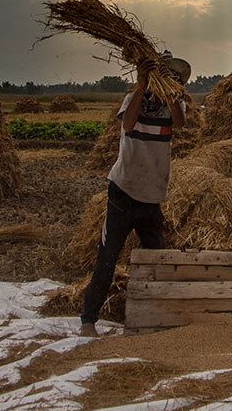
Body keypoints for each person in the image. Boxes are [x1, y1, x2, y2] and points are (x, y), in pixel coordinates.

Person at [80, 52, 190, 337]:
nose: (171, 81)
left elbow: (179, 123)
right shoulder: (134, 99)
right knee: (108, 256)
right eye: (166, 76)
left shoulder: (174, 105)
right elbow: (128, 125)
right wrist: (142, 86)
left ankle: (159, 317)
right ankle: (88, 321)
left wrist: (171, 96)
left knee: (158, 260)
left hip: (152, 197)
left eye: (175, 78)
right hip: (124, 192)